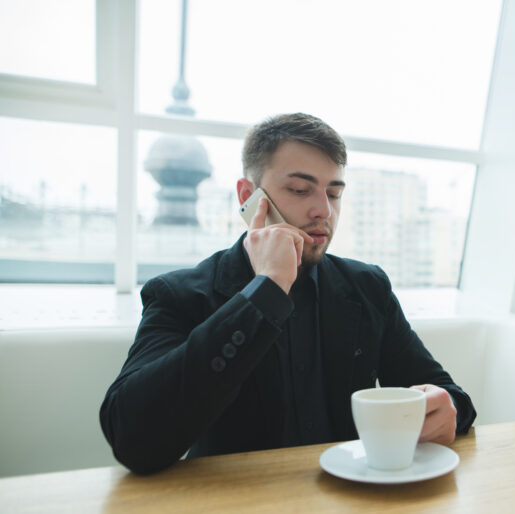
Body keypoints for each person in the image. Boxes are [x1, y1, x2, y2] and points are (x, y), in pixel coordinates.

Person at [100, 113, 476, 474]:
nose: (323, 210)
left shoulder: (367, 288)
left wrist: (449, 409)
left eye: (334, 193)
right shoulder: (180, 294)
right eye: (300, 189)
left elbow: (446, 393)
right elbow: (133, 442)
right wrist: (266, 290)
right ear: (248, 196)